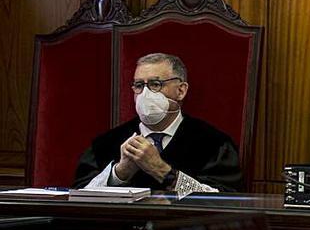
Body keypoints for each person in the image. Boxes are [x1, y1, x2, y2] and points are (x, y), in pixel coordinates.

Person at [74, 53, 242, 192]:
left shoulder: (213, 144)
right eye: (139, 85)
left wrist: (161, 169)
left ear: (181, 90)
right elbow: (79, 200)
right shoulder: (106, 143)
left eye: (155, 84)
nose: (145, 94)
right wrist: (119, 173)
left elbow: (221, 204)